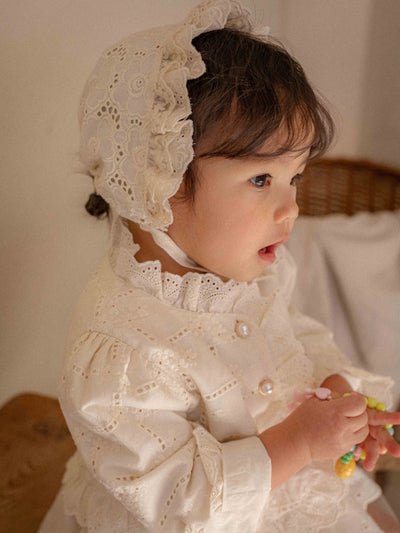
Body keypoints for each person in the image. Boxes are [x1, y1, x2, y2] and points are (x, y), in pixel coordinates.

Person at [39, 0, 400, 531]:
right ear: (159, 182)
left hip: (294, 481)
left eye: (295, 178)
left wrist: (334, 386)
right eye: (261, 179)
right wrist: (298, 442)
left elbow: (294, 334)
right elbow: (178, 500)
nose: (291, 209)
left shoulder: (250, 270)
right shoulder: (122, 349)